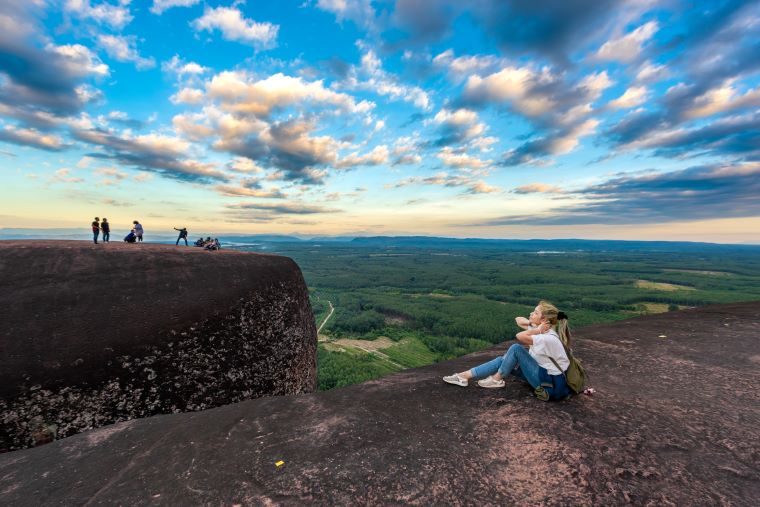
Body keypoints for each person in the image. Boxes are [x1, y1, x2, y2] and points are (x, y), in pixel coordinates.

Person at [443, 300, 572, 401]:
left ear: (544, 320)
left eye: (536, 313)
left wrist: (537, 329)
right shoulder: (541, 328)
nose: (532, 313)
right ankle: (463, 376)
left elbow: (519, 336)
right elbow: (518, 320)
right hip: (540, 373)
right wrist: (532, 324)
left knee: (516, 349)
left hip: (548, 383)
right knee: (503, 360)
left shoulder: (548, 337)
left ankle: (496, 379)